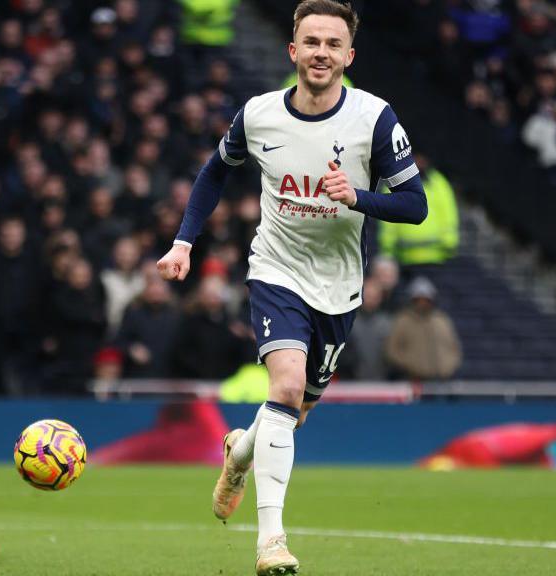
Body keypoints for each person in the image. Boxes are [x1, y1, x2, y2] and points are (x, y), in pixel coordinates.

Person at [156, 2, 427, 573]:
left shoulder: (374, 120)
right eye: (311, 42)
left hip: (340, 285)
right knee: (283, 389)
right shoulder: (258, 115)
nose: (321, 53)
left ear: (348, 56)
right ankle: (271, 541)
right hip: (276, 270)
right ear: (293, 51)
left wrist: (358, 198)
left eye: (333, 44)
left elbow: (415, 205)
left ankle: (239, 452)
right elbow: (214, 171)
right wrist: (184, 242)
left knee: (292, 412)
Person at [385, 276, 462, 381]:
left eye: (426, 299)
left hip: (443, 379)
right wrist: (411, 364)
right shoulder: (403, 320)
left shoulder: (441, 319)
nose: (422, 303)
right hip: (414, 380)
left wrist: (449, 366)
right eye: (419, 299)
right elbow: (392, 350)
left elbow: (454, 347)